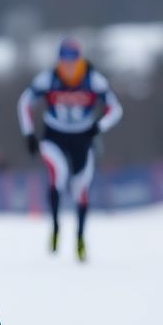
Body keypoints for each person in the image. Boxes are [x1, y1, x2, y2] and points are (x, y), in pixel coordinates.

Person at [17, 37, 123, 261]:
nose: (69, 68)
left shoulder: (93, 79)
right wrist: (29, 133)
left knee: (80, 187)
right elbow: (25, 102)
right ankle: (56, 225)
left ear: (80, 61)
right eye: (64, 62)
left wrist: (98, 126)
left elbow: (115, 109)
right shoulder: (49, 78)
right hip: (54, 135)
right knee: (59, 174)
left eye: (73, 62)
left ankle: (80, 237)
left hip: (82, 137)